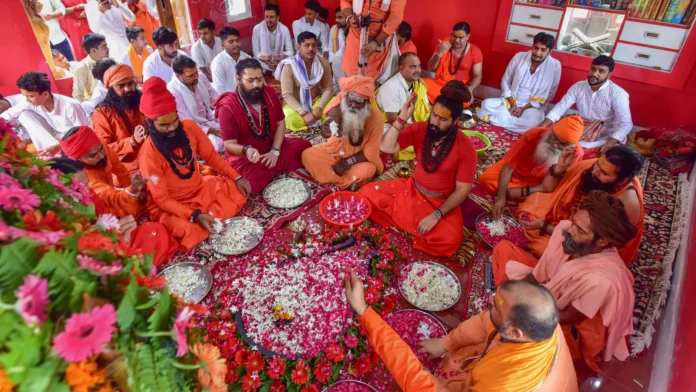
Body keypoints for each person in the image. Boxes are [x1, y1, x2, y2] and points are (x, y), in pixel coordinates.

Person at [343, 270, 578, 391]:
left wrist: (364, 310)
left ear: (515, 333)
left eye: (496, 304)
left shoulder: (507, 384)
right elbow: (483, 322)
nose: (488, 299)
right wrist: (446, 344)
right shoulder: (541, 321)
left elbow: (417, 381)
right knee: (464, 348)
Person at [495, 192, 636, 373]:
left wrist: (522, 311)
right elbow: (538, 275)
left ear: (601, 241)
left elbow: (567, 316)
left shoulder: (601, 280)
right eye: (574, 222)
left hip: (570, 322)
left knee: (525, 345)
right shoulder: (566, 231)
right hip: (550, 292)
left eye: (580, 231)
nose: (570, 230)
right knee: (503, 250)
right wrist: (513, 293)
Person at [360, 81, 476, 256]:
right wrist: (402, 118)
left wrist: (437, 215)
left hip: (441, 202)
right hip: (412, 190)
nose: (435, 122)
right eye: (434, 115)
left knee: (450, 241)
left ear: (456, 121)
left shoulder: (466, 148)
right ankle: (410, 227)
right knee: (367, 193)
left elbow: (462, 190)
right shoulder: (420, 129)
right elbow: (386, 147)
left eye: (443, 119)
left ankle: (406, 229)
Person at [137, 77, 250, 250]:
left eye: (174, 120)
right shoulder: (148, 154)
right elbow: (162, 199)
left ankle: (206, 215)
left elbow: (212, 156)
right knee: (190, 231)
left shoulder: (189, 127)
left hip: (201, 188)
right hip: (174, 204)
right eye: (163, 125)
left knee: (237, 190)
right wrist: (195, 215)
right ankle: (200, 220)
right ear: (148, 123)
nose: (172, 128)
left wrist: (236, 177)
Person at [517, 144, 644, 264]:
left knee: (548, 251)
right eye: (597, 164)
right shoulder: (591, 167)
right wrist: (560, 168)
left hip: (586, 246)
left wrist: (543, 225)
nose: (594, 172)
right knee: (534, 201)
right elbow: (548, 187)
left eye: (604, 173)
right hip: (571, 220)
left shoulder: (625, 206)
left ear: (623, 181)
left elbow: (590, 242)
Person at [49, 156, 178, 266]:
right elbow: (87, 259)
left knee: (154, 229)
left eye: (87, 183)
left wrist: (118, 231)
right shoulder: (59, 219)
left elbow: (106, 214)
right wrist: (120, 242)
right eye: (78, 188)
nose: (86, 190)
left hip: (114, 240)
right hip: (101, 261)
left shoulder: (87, 191)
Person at [215, 58, 312, 195]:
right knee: (249, 184)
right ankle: (273, 169)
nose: (256, 85)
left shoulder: (269, 93)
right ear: (238, 79)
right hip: (248, 158)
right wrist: (246, 150)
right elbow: (229, 144)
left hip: (272, 147)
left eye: (260, 79)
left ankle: (273, 166)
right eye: (250, 80)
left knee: (305, 147)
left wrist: (275, 151)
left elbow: (280, 123)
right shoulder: (228, 107)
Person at [479, 115, 585, 218]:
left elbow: (550, 186)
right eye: (555, 138)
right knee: (486, 180)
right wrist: (500, 198)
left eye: (563, 144)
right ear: (551, 130)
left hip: (540, 185)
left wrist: (524, 191)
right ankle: (521, 198)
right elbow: (508, 167)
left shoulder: (574, 154)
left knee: (547, 205)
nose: (556, 145)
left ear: (571, 145)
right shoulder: (534, 134)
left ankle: (525, 198)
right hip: (516, 173)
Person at [540, 56, 633, 159]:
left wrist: (611, 142)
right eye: (593, 69)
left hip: (605, 135)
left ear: (609, 75)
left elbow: (626, 124)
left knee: (600, 159)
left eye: (601, 71)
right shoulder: (578, 87)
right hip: (581, 129)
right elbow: (561, 107)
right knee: (550, 136)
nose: (594, 74)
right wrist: (544, 124)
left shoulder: (618, 94)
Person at [302, 76, 383, 189]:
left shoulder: (376, 118)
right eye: (351, 100)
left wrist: (349, 162)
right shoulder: (338, 106)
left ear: (367, 103)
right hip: (334, 153)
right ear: (345, 97)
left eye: (359, 102)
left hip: (356, 160)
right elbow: (328, 131)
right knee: (308, 155)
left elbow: (371, 151)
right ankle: (346, 182)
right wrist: (325, 129)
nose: (353, 105)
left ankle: (334, 178)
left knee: (368, 169)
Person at [479, 33, 562, 134]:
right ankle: (516, 124)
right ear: (532, 46)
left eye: (543, 50)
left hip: (532, 107)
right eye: (536, 48)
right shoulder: (519, 57)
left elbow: (550, 94)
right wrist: (513, 104)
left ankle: (500, 119)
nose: (538, 53)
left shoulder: (555, 66)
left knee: (534, 121)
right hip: (511, 102)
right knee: (486, 104)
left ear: (550, 52)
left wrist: (523, 108)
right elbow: (505, 80)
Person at [59, 125, 148, 219]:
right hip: (103, 205)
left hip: (114, 190)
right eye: (93, 155)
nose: (101, 156)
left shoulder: (100, 145)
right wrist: (132, 193)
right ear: (78, 159)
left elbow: (121, 171)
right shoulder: (83, 177)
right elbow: (109, 196)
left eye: (101, 149)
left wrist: (132, 189)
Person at [1, 71, 89, 155]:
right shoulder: (29, 102)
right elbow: (7, 115)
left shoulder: (70, 105)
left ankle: (56, 153)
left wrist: (59, 146)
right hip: (55, 138)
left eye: (30, 96)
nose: (27, 100)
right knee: (24, 115)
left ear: (45, 94)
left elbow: (82, 134)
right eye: (25, 96)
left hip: (76, 140)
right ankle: (48, 152)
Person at [91, 64, 146, 173]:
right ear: (111, 88)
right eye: (120, 86)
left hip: (154, 152)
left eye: (131, 83)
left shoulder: (143, 100)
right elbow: (103, 148)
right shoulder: (101, 113)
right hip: (127, 164)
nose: (128, 89)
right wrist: (132, 141)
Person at [275, 32, 334, 132]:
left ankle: (309, 123)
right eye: (306, 45)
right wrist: (304, 113)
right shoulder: (289, 66)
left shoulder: (322, 63)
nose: (311, 49)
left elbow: (328, 88)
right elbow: (287, 94)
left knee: (335, 105)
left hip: (316, 103)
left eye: (314, 45)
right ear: (298, 47)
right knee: (288, 116)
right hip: (296, 107)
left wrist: (319, 107)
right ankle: (318, 123)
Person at [375, 52, 429, 160]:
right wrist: (416, 131)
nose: (418, 70)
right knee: (405, 145)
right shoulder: (391, 87)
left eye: (419, 66)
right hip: (389, 126)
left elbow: (426, 107)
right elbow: (392, 119)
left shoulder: (418, 84)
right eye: (413, 67)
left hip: (409, 123)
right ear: (401, 68)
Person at [340, 0, 405, 84]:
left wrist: (377, 42)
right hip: (355, 39)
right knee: (352, 80)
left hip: (380, 43)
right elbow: (345, 1)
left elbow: (396, 16)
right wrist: (349, 18)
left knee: (376, 84)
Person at [168, 55, 223, 152]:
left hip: (208, 118)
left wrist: (224, 113)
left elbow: (216, 98)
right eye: (190, 75)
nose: (195, 76)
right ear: (178, 76)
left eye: (196, 72)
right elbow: (186, 121)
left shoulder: (200, 78)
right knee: (215, 142)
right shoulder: (173, 91)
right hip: (191, 129)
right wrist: (214, 131)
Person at [423, 22, 482, 104]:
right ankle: (446, 102)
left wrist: (470, 89)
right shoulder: (444, 45)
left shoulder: (475, 51)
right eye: (454, 36)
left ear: (468, 36)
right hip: (441, 85)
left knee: (463, 99)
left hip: (459, 89)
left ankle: (440, 101)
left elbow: (478, 75)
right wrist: (439, 53)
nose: (457, 40)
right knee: (421, 83)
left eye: (460, 37)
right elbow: (430, 67)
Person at [211, 27, 270, 95]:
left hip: (249, 96)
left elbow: (259, 78)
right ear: (223, 45)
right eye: (231, 42)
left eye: (237, 40)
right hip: (230, 99)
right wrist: (231, 102)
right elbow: (219, 89)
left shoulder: (247, 58)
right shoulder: (218, 62)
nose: (236, 44)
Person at [252, 4, 294, 72]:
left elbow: (290, 51)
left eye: (271, 17)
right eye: (266, 16)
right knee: (254, 63)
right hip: (263, 61)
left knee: (291, 62)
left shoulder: (284, 29)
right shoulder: (257, 29)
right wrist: (269, 63)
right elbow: (256, 52)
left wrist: (279, 59)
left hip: (280, 60)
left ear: (277, 17)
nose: (268, 20)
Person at [72, 33, 109, 103]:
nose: (108, 49)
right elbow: (78, 95)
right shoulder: (82, 67)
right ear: (93, 50)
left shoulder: (111, 61)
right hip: (97, 104)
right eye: (104, 47)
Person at [190, 18, 223, 83]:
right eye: (200, 33)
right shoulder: (196, 48)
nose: (202, 37)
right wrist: (218, 82)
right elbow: (203, 72)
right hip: (209, 82)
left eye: (205, 33)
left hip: (224, 77)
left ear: (213, 32)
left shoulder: (221, 42)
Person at [329, 6, 348, 91]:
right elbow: (330, 49)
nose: (336, 20)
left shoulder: (354, 31)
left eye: (340, 17)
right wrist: (335, 59)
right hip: (338, 62)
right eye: (336, 17)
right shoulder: (334, 29)